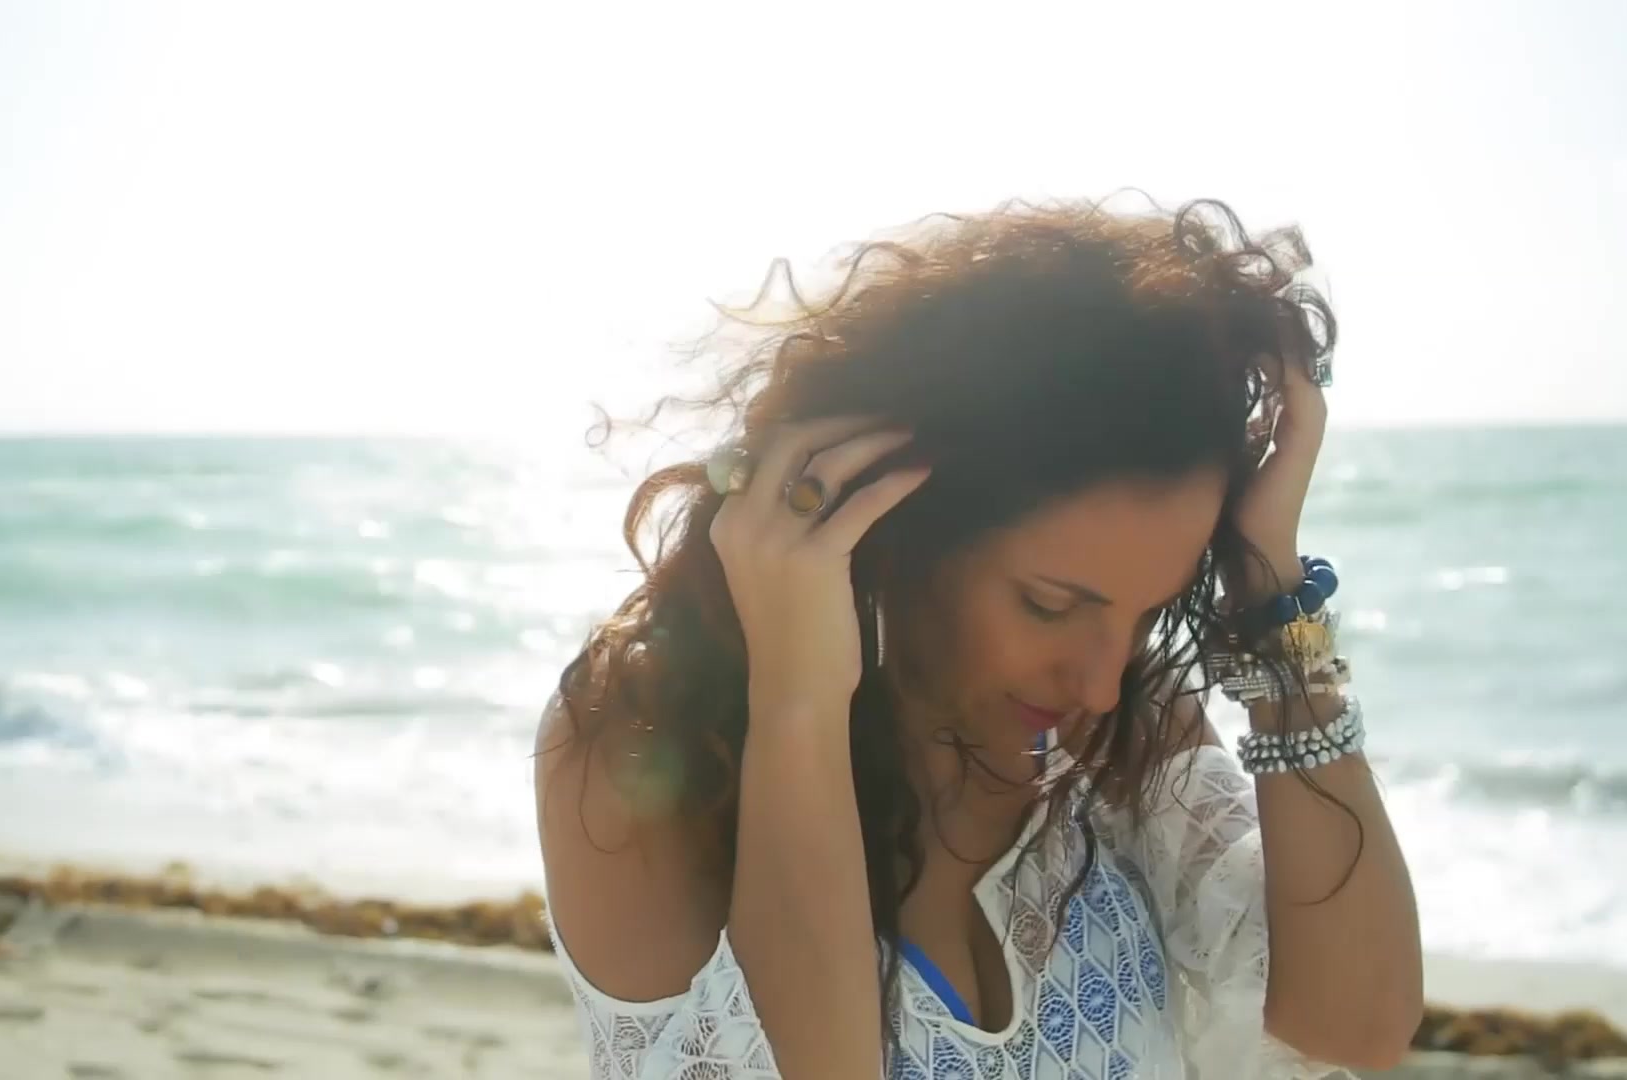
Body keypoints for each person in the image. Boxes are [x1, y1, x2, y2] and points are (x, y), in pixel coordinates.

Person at [533, 196, 1423, 1080]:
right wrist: (799, 701)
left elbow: (1353, 1033)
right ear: (902, 523)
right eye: (1048, 605)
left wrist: (1270, 595)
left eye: (1147, 612)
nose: (1100, 682)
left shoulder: (1116, 736)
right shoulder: (644, 744)